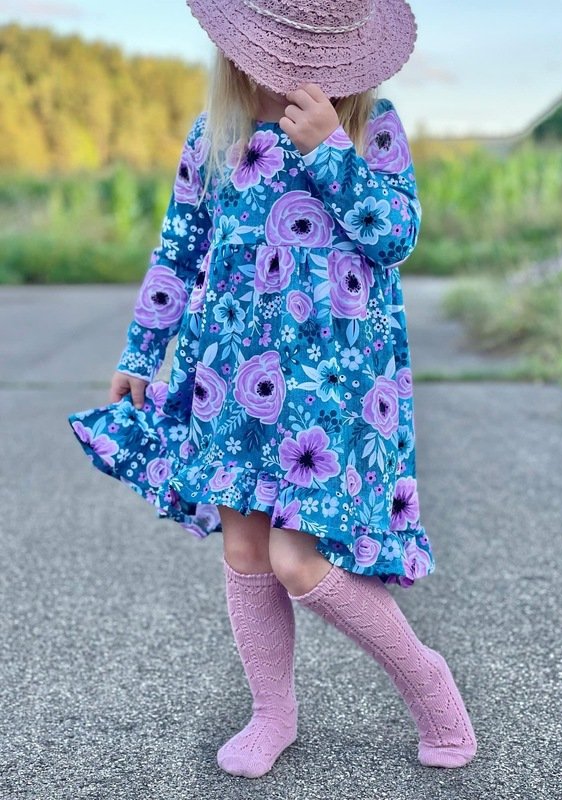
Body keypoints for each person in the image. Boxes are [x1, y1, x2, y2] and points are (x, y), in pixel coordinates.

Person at [67, 0, 477, 780]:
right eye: (280, 50)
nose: (293, 69)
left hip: (330, 386)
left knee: (297, 559)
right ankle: (271, 713)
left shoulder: (370, 124)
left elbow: (396, 236)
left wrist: (331, 151)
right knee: (247, 547)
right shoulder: (214, 135)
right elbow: (177, 250)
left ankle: (427, 678)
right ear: (241, 48)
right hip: (228, 377)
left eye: (312, 55)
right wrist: (142, 350)